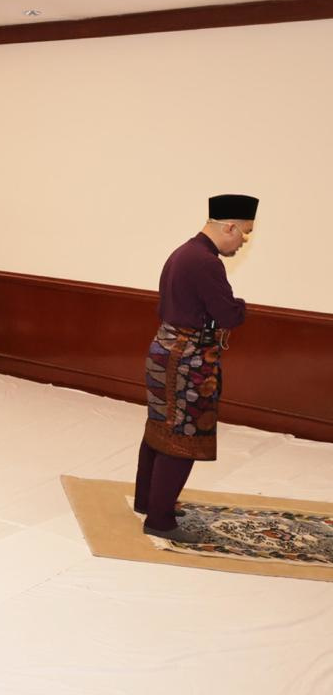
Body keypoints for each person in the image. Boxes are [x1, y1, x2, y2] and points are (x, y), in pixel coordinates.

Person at [134, 194, 258, 542]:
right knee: (182, 438)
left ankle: (147, 501)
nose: (244, 241)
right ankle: (159, 520)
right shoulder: (206, 262)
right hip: (188, 358)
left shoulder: (184, 252)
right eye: (245, 233)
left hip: (164, 349)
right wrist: (241, 306)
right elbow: (229, 313)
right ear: (229, 227)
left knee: (160, 427)